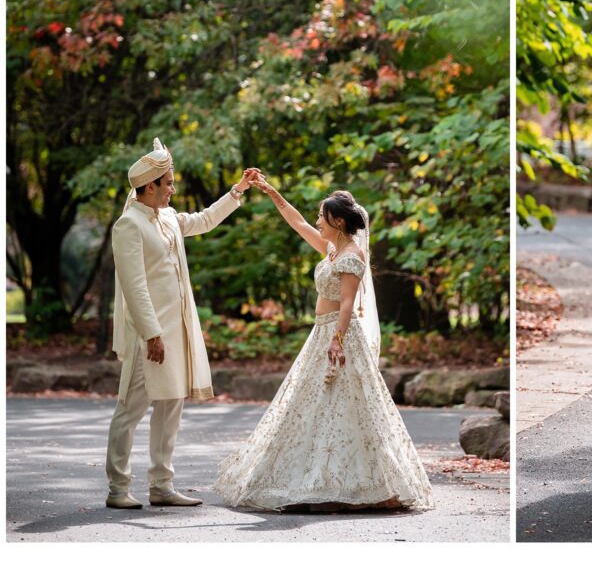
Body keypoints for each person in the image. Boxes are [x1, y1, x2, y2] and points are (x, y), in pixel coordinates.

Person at [214, 184, 433, 511]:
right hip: (320, 333)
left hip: (337, 334)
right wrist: (270, 191)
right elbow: (297, 222)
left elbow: (347, 303)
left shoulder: (352, 256)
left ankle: (354, 485)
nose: (317, 220)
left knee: (341, 406)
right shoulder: (331, 250)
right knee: (313, 405)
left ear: (339, 222)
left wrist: (338, 339)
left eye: (323, 216)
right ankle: (314, 478)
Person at [105, 138, 257, 509]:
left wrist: (237, 190)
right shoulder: (128, 225)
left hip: (176, 332)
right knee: (131, 408)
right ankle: (117, 488)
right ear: (150, 185)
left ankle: (161, 484)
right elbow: (134, 284)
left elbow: (204, 220)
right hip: (149, 335)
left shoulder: (169, 218)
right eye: (168, 183)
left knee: (171, 404)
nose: (173, 189)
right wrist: (151, 333)